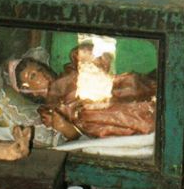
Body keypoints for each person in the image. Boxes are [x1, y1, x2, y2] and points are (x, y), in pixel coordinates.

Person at [9, 42, 157, 141]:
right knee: (97, 113)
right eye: (33, 76)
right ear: (30, 91)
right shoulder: (50, 109)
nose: (41, 74)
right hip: (100, 115)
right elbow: (73, 133)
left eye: (39, 68)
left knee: (133, 86)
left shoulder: (68, 73)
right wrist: (63, 126)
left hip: (111, 90)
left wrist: (84, 60)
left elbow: (96, 57)